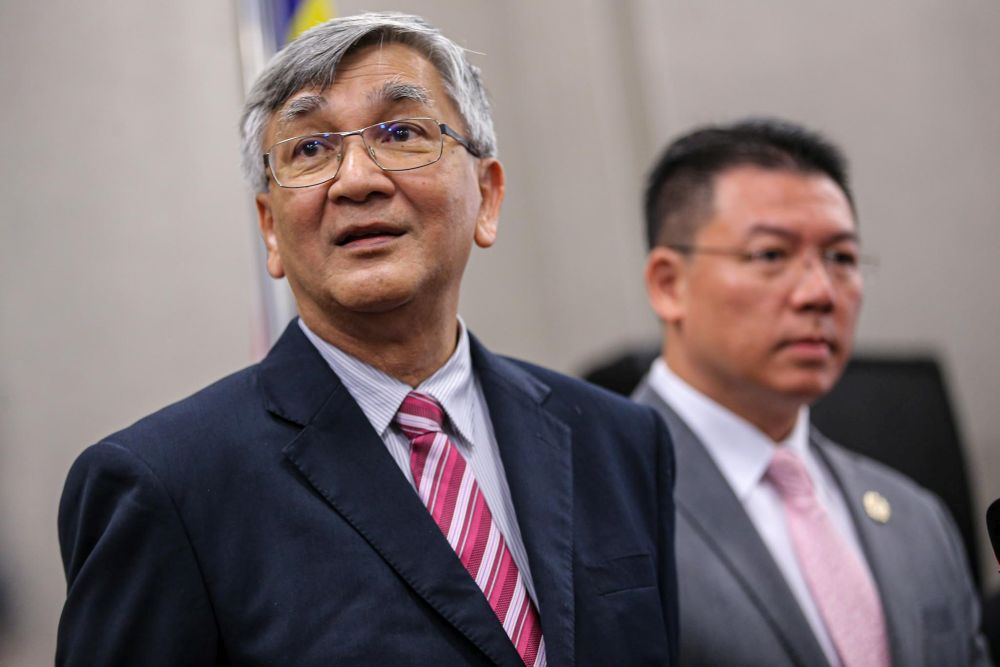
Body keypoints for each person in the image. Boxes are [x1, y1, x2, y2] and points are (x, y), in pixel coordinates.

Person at [55, 12, 678, 667]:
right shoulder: (167, 487)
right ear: (269, 229)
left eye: (402, 132)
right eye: (310, 149)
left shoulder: (618, 440)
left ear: (488, 196)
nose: (356, 180)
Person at [633, 118, 991, 667]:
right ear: (668, 284)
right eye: (771, 255)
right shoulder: (594, 503)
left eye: (841, 258)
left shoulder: (916, 518)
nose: (819, 293)